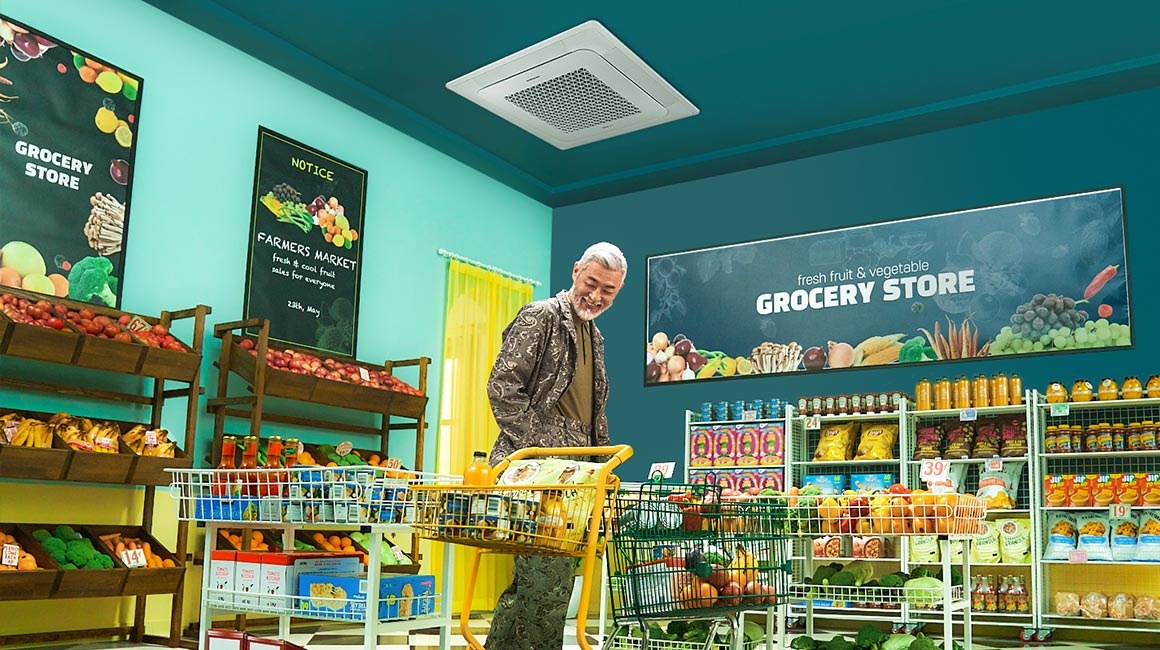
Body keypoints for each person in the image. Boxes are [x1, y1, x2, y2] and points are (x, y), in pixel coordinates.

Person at [484, 241, 627, 650]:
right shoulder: (540, 316)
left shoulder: (594, 336)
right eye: (591, 282)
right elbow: (502, 387)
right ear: (575, 270)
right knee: (547, 586)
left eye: (608, 291)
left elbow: (592, 415)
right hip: (539, 472)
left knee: (538, 584)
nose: (596, 296)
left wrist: (603, 469)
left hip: (579, 473)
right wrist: (540, 455)